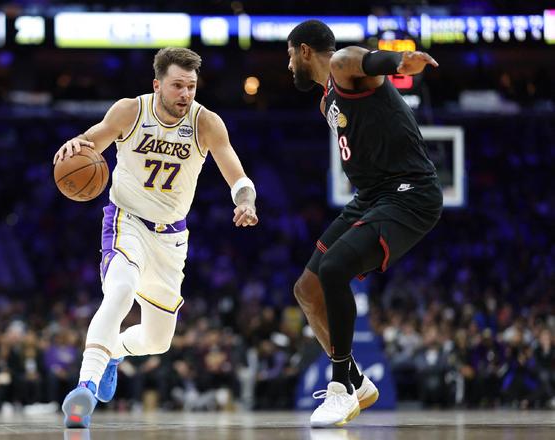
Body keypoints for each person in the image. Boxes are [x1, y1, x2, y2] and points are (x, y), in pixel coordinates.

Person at [53, 47, 259, 428]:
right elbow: (92, 140)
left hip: (171, 239)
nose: (186, 94)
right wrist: (76, 143)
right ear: (157, 85)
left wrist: (246, 201)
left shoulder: (206, 123)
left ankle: (114, 351)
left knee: (158, 341)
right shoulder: (130, 111)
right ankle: (84, 388)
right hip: (126, 221)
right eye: (178, 85)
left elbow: (239, 178)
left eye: (191, 86)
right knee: (120, 291)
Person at [286, 20, 443, 426]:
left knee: (335, 267)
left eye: (289, 55)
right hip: (370, 196)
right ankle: (357, 379)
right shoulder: (326, 100)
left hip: (410, 192)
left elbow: (366, 60)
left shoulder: (342, 64)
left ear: (305, 51)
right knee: (306, 290)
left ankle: (340, 389)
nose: (288, 66)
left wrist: (399, 62)